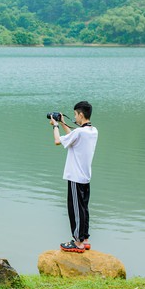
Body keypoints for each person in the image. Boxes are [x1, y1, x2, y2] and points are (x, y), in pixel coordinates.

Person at [50, 101, 98, 253]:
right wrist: (64, 123)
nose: (75, 117)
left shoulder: (79, 133)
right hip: (85, 177)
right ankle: (85, 239)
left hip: (75, 177)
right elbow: (73, 137)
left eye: (76, 114)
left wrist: (55, 125)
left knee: (75, 209)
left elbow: (58, 141)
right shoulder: (93, 131)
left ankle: (77, 243)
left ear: (81, 114)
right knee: (83, 208)